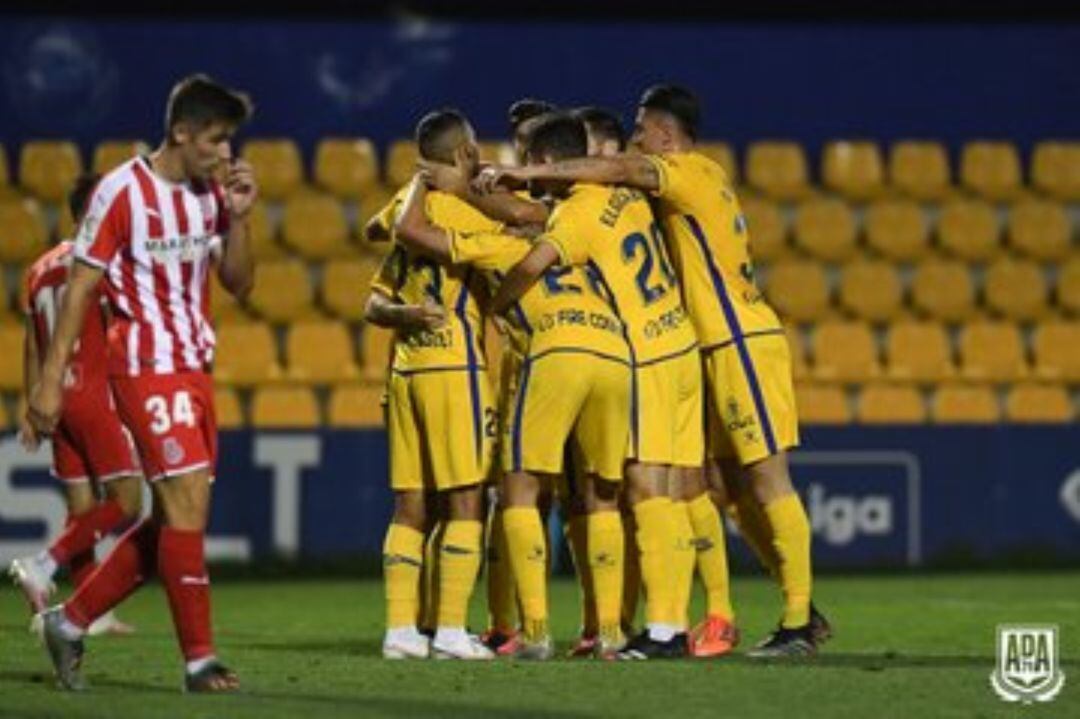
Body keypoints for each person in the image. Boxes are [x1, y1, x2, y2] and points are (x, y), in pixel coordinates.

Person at [480, 84, 826, 657]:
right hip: (696, 343)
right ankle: (710, 617)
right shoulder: (657, 194)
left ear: (665, 136)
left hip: (730, 337)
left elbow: (598, 184)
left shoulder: (683, 172)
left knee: (752, 480)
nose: (636, 140)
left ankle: (792, 620)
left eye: (642, 131)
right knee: (718, 489)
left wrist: (523, 177)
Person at [27, 74, 257, 691]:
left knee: (173, 521)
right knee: (185, 509)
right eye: (216, 138)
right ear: (181, 132)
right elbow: (79, 287)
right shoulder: (120, 191)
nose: (224, 150)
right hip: (143, 369)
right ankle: (199, 660)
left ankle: (69, 622)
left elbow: (239, 283)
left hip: (195, 369)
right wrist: (49, 382)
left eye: (229, 138)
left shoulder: (211, 192)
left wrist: (239, 220)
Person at [394, 159, 633, 661]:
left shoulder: (497, 244)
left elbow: (412, 231)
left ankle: (538, 631)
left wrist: (425, 184)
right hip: (615, 351)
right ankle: (611, 632)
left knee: (520, 490)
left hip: (556, 349)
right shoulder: (573, 242)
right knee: (602, 494)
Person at [489, 113, 705, 660]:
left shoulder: (577, 216)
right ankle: (644, 625)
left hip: (646, 352)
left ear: (547, 163)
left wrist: (498, 303)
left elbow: (535, 260)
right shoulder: (623, 189)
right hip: (681, 339)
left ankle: (664, 629)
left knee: (644, 491)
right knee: (664, 493)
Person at [366, 108, 501, 661]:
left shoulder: (409, 208)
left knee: (410, 506)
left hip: (405, 372)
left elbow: (373, 304)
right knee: (467, 501)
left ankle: (401, 632)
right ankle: (449, 631)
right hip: (455, 372)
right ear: (465, 154)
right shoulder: (467, 217)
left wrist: (403, 317)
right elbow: (524, 231)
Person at [10, 173, 141, 638]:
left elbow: (31, 344)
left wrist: (32, 402)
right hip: (92, 393)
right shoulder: (99, 265)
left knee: (82, 510)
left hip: (55, 397)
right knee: (128, 500)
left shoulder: (39, 266)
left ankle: (90, 614)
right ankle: (41, 565)